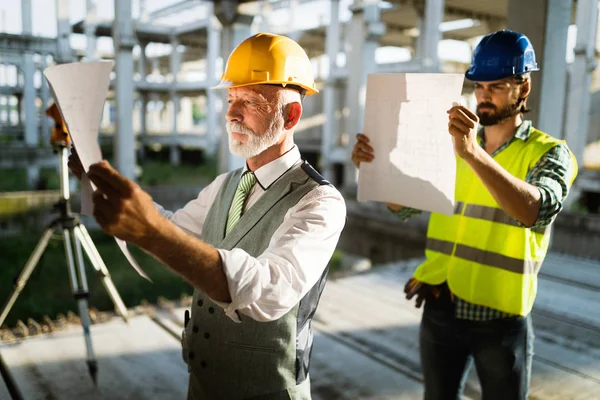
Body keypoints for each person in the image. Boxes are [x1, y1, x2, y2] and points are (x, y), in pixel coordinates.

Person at [70, 33, 346, 400]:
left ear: (290, 114)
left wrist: (153, 233)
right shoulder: (226, 184)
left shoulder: (319, 202)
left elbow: (270, 289)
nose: (231, 113)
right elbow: (173, 227)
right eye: (231, 99)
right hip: (202, 384)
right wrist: (97, 181)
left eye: (247, 101)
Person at [351, 30, 577, 400]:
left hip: (499, 319)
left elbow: (537, 210)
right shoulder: (451, 144)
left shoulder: (550, 153)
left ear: (524, 88)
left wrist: (473, 153)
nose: (484, 95)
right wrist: (373, 167)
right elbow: (402, 205)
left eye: (498, 85)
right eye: (479, 86)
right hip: (441, 305)